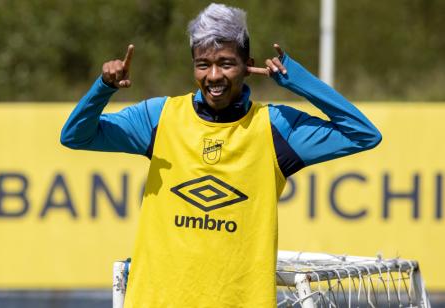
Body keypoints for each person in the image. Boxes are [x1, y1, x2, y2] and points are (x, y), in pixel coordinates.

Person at [61, 3, 381, 307]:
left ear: (247, 65)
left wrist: (298, 81)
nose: (214, 76)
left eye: (226, 63)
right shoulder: (159, 117)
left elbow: (364, 135)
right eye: (203, 64)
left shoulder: (276, 127)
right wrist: (103, 87)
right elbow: (75, 136)